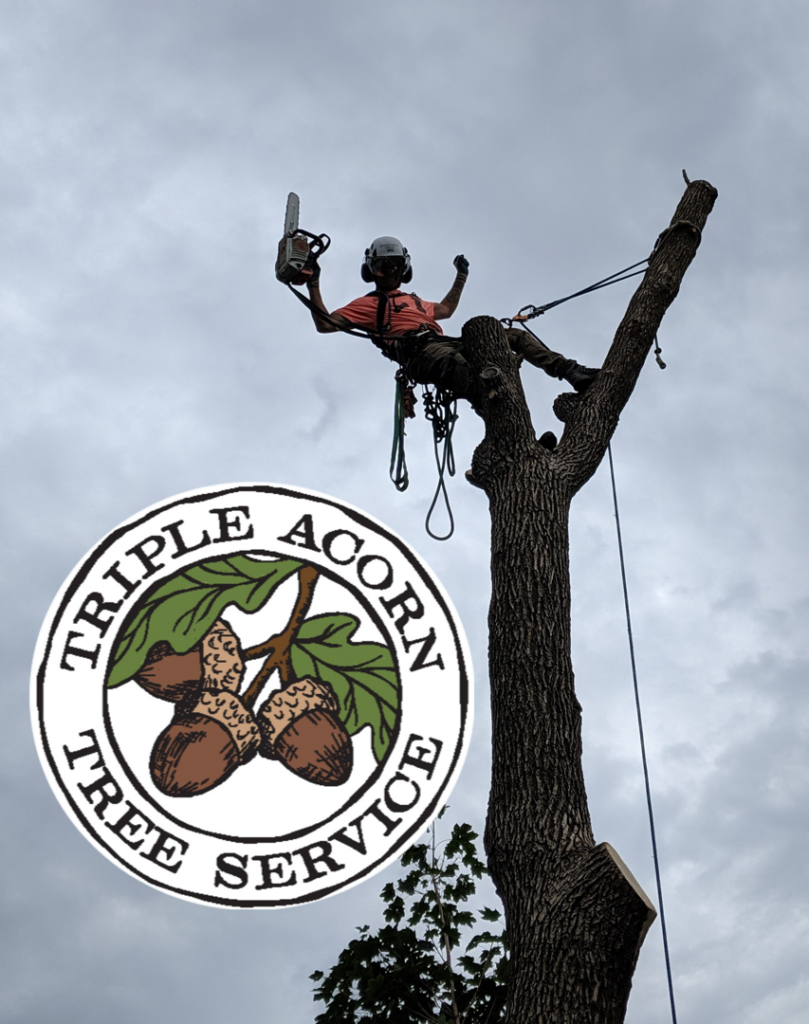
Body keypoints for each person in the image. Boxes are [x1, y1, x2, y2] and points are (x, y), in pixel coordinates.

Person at [300, 236, 598, 402]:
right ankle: (509, 436)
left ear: (404, 268)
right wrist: (314, 283)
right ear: (372, 270)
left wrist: (461, 276)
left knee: (510, 335)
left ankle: (571, 372)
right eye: (383, 265)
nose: (390, 270)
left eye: (395, 264)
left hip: (443, 342)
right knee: (465, 371)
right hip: (419, 352)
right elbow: (326, 324)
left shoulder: (414, 300)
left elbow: (445, 310)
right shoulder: (369, 304)